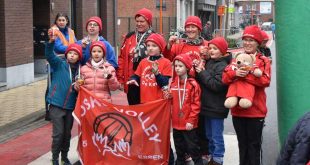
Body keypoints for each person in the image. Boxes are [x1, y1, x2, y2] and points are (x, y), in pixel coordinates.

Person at [222, 25, 271, 165]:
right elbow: (225, 78)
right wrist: (234, 73)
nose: (248, 43)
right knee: (242, 146)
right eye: (245, 40)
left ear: (258, 43)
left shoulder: (263, 60)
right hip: (238, 111)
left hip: (256, 111)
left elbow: (265, 81)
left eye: (251, 40)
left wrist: (246, 75)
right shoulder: (237, 57)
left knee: (254, 147)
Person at [46, 32, 83, 165]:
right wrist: (50, 42)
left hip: (70, 106)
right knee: (58, 134)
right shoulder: (59, 64)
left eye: (75, 54)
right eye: (70, 53)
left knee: (67, 135)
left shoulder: (81, 71)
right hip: (56, 104)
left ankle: (64, 157)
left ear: (79, 57)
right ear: (66, 54)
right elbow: (49, 55)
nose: (72, 55)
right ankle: (55, 158)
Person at [195, 37, 232, 165]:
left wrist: (202, 73)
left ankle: (218, 158)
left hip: (216, 107)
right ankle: (212, 156)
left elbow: (217, 85)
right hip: (207, 106)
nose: (211, 51)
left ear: (222, 51)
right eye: (210, 48)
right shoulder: (210, 62)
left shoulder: (222, 66)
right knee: (209, 135)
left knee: (216, 136)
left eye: (215, 49)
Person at [170, 54, 203, 165]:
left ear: (187, 68)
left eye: (180, 66)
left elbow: (196, 105)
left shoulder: (192, 85)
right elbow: (170, 102)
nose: (177, 68)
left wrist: (191, 120)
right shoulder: (173, 83)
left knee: (193, 148)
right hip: (176, 123)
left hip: (188, 124)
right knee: (179, 149)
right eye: (176, 66)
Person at [117, 8, 155, 105]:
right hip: (131, 80)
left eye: (142, 21)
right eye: (137, 21)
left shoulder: (155, 37)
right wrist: (120, 79)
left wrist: (142, 53)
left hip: (148, 81)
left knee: (147, 112)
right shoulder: (129, 36)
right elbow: (121, 58)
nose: (139, 24)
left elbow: (162, 58)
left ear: (149, 22)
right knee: (133, 109)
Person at [45, 13, 77, 121]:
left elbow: (76, 43)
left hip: (70, 62)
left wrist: (73, 49)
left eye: (63, 20)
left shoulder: (71, 32)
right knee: (52, 85)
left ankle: (65, 106)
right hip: (57, 62)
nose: (61, 22)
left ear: (67, 21)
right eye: (59, 20)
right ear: (56, 21)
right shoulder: (54, 31)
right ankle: (49, 110)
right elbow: (58, 47)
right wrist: (72, 48)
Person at [126, 33, 172, 104]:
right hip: (144, 101)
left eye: (154, 46)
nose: (150, 48)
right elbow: (137, 76)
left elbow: (164, 83)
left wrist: (157, 73)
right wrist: (133, 79)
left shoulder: (166, 62)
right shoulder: (143, 61)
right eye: (148, 45)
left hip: (158, 102)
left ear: (160, 48)